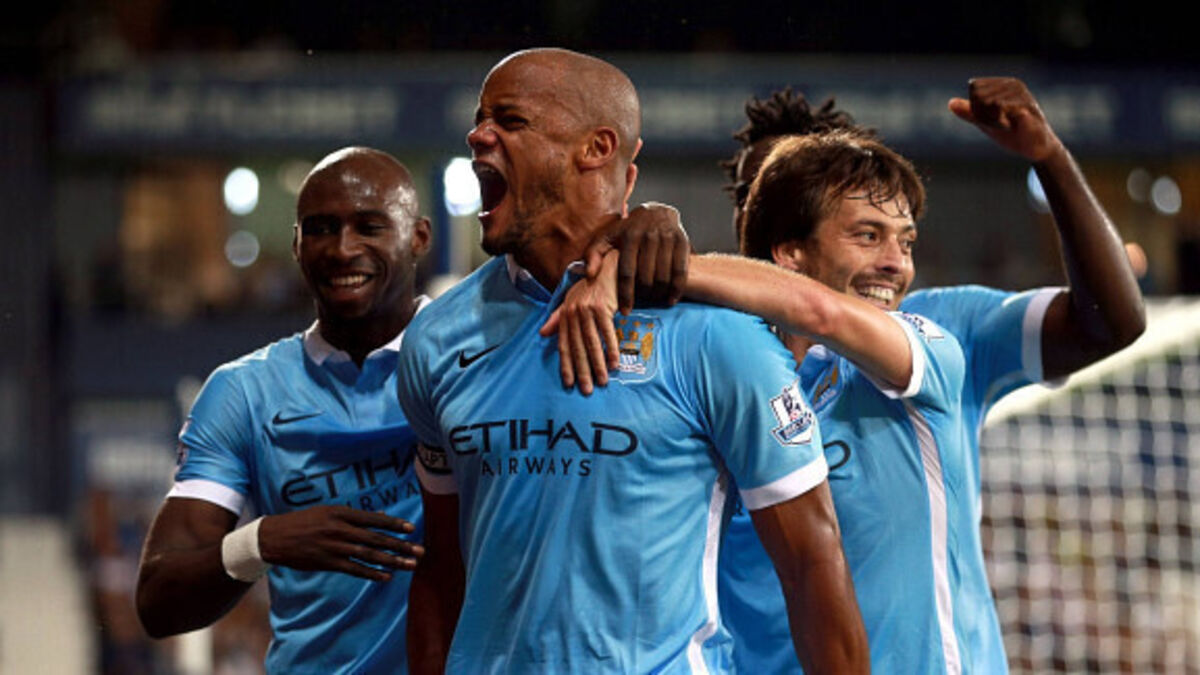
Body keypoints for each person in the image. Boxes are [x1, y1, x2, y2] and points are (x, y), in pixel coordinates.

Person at [550, 77, 1146, 673]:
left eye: (900, 238)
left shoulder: (937, 336)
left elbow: (1109, 323)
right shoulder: (700, 364)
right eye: (760, 191)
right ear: (778, 236)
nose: (893, 259)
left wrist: (1050, 158)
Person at [395, 47, 868, 674]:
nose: (478, 136)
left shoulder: (716, 336)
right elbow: (440, 569)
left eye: (509, 121)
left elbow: (813, 565)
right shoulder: (436, 337)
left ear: (596, 149)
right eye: (481, 120)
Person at [136, 146, 431, 674]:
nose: (343, 249)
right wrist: (261, 541)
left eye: (369, 227)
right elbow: (158, 599)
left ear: (419, 237)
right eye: (320, 229)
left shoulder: (474, 361)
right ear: (296, 245)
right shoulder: (244, 393)